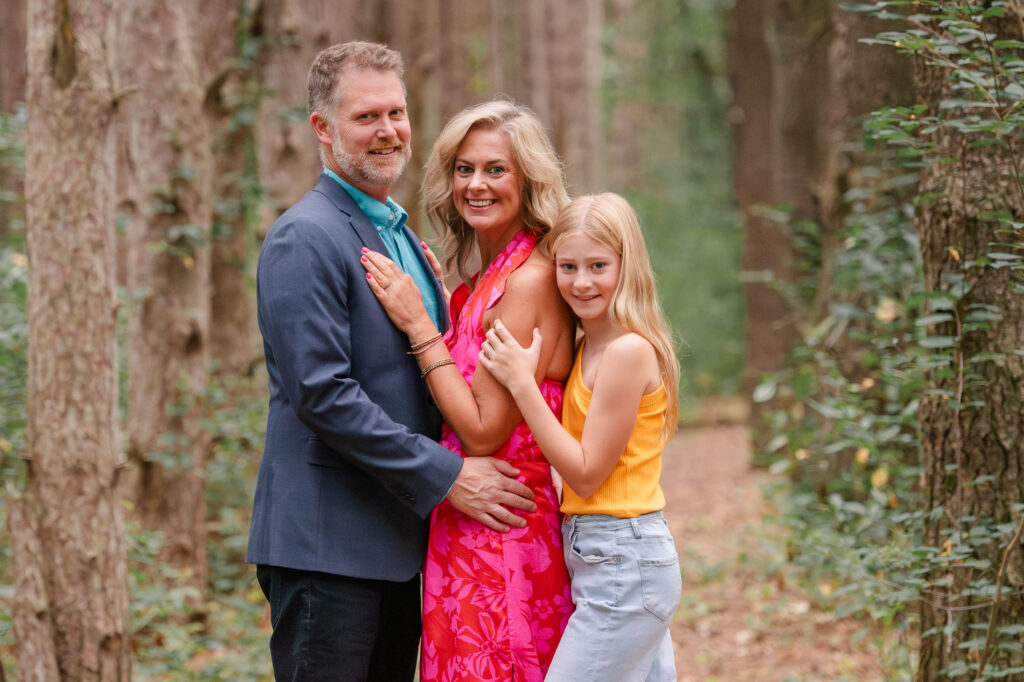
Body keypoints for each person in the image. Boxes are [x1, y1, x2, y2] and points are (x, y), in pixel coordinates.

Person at [247, 42, 540, 682]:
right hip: (328, 545)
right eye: (366, 117)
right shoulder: (306, 235)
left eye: (397, 113)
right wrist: (448, 475)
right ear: (323, 128)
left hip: (396, 544)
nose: (388, 132)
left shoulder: (397, 234)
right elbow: (322, 393)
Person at [360, 99, 575, 681]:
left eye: (495, 169)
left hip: (505, 531)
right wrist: (443, 300)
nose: (476, 184)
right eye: (463, 169)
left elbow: (483, 431)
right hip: (464, 522)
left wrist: (419, 324)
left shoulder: (529, 280)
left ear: (528, 178)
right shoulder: (485, 281)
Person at [478, 192, 683, 682]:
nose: (581, 281)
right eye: (567, 267)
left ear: (626, 265)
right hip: (604, 557)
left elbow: (588, 474)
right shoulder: (591, 343)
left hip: (624, 562)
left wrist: (522, 384)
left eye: (597, 265)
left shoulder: (627, 351)